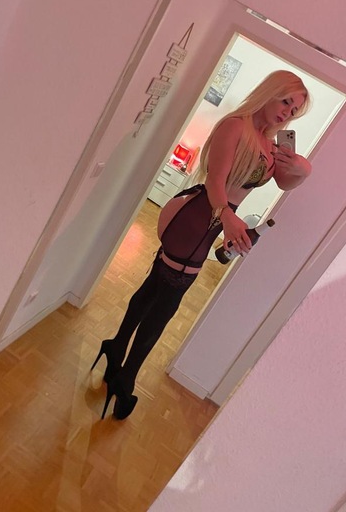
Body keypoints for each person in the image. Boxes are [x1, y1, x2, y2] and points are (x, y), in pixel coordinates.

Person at [91, 69, 312, 420]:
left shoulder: (272, 145)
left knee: (154, 288)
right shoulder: (235, 126)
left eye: (295, 110)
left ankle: (116, 348)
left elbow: (285, 183)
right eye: (285, 101)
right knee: (165, 305)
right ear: (269, 92)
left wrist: (302, 169)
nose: (288, 112)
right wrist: (228, 217)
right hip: (199, 216)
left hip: (214, 221)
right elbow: (215, 180)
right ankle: (125, 380)